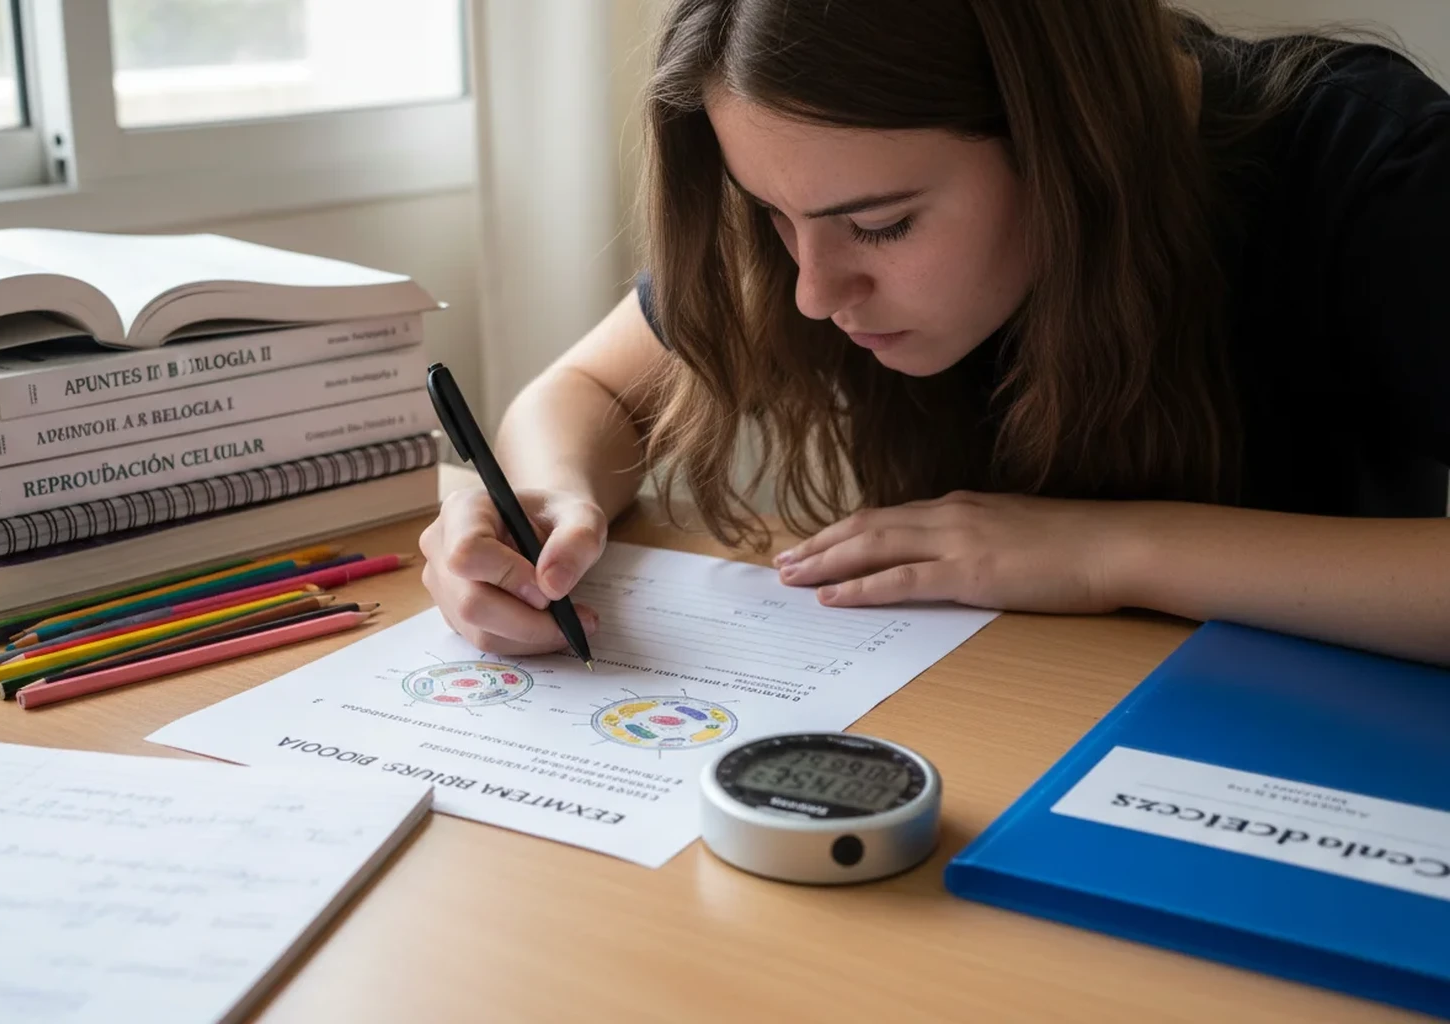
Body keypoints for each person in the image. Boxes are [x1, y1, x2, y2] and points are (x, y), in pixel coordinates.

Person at [420, 0, 1450, 666]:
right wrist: (547, 495)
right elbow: (589, 391)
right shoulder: (819, 187)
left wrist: (1112, 550)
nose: (814, 291)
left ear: (1063, 136)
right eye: (776, 218)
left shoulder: (1377, 171)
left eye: (882, 225)